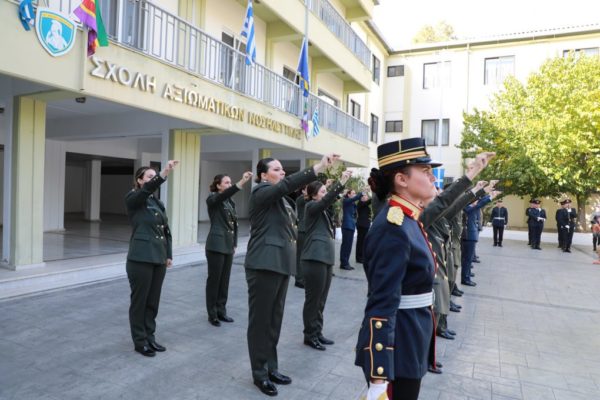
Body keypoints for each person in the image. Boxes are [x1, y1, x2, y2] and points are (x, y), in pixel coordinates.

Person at [354, 137, 494, 400]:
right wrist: (378, 375)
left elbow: (442, 205)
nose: (433, 178)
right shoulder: (392, 226)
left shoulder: (408, 217)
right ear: (401, 180)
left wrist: (473, 172)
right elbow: (381, 302)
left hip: (410, 336)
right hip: (397, 346)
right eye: (426, 171)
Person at [244, 153, 337, 397]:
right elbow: (286, 186)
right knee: (261, 322)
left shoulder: (282, 201)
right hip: (264, 263)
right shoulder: (260, 192)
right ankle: (259, 373)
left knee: (274, 321)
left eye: (283, 168)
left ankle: (271, 367)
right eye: (277, 169)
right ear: (264, 175)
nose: (282, 172)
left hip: (280, 264)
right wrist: (316, 168)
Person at [125, 160, 179, 357]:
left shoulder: (157, 203)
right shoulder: (133, 198)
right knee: (140, 301)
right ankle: (140, 341)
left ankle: (150, 336)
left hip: (158, 257)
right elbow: (147, 190)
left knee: (153, 301)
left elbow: (165, 231)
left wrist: (168, 254)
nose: (151, 179)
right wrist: (163, 173)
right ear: (139, 181)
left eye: (153, 176)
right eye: (148, 176)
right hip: (140, 258)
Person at [301, 170, 352, 351]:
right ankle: (309, 335)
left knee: (321, 299)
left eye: (325, 191)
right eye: (322, 191)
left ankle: (317, 332)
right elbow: (325, 201)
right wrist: (341, 182)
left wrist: (330, 189)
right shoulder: (311, 207)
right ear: (314, 195)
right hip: (314, 257)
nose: (324, 194)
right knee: (313, 299)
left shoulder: (321, 209)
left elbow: (327, 202)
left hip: (325, 257)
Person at [205, 171, 252, 327]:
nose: (229, 184)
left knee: (224, 280)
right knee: (215, 280)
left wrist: (234, 242)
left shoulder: (230, 202)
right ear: (218, 185)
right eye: (226, 182)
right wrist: (241, 182)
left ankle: (221, 310)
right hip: (216, 245)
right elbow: (220, 197)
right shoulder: (213, 198)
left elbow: (234, 224)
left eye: (230, 182)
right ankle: (212, 314)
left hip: (227, 245)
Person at [461, 191, 493, 287]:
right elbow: (479, 204)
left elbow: (479, 202)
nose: (476, 202)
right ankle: (465, 278)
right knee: (467, 258)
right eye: (474, 200)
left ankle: (467, 274)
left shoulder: (471, 207)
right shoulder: (467, 208)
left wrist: (488, 195)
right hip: (468, 236)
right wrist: (490, 197)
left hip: (471, 236)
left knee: (469, 258)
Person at [340, 189, 363, 270]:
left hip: (351, 226)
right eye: (353, 193)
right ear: (348, 195)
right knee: (346, 245)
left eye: (355, 193)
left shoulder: (352, 203)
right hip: (347, 225)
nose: (354, 194)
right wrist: (362, 192)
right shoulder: (346, 200)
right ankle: (344, 263)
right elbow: (355, 198)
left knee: (349, 245)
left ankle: (346, 262)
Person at [294, 186, 308, 288]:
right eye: (308, 189)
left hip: (308, 230)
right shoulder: (300, 199)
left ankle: (303, 277)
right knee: (300, 256)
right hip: (302, 230)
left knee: (305, 256)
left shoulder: (309, 199)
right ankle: (298, 279)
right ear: (303, 190)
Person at [355, 193, 372, 264]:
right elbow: (369, 202)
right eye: (365, 196)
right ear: (361, 198)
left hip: (366, 225)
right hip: (361, 225)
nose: (366, 197)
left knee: (364, 241)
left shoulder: (366, 205)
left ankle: (362, 256)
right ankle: (359, 257)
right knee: (360, 241)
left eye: (366, 196)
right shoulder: (360, 203)